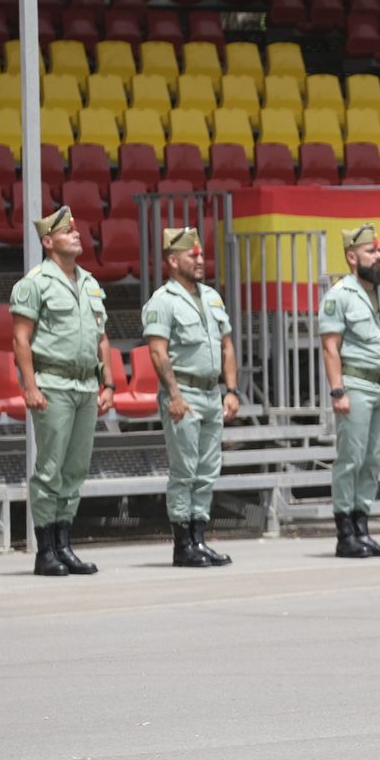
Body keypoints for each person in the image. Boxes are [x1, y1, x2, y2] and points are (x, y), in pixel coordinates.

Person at [10, 207, 113, 577]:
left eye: (76, 229)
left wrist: (109, 382)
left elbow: (102, 338)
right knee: (50, 468)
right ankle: (45, 550)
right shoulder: (35, 283)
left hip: (86, 384)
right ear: (48, 241)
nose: (76, 234)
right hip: (53, 383)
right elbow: (21, 339)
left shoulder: (89, 282)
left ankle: (64, 544)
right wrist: (30, 386)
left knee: (76, 468)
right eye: (67, 231)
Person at [142, 227, 240, 568]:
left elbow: (227, 345)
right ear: (172, 260)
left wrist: (231, 389)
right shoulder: (163, 301)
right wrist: (174, 395)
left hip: (212, 393)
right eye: (192, 255)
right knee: (184, 470)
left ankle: (199, 538)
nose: (200, 260)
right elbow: (157, 351)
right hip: (184, 392)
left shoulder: (211, 297)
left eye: (201, 254)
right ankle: (182, 544)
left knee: (207, 469)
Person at [319, 224, 380, 559]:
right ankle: (345, 532)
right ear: (351, 256)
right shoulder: (340, 295)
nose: (378, 256)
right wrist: (337, 391)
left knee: (373, 459)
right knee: (351, 459)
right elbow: (330, 346)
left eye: (378, 250)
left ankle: (362, 527)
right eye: (370, 251)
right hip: (356, 385)